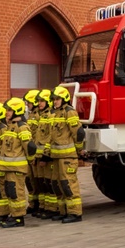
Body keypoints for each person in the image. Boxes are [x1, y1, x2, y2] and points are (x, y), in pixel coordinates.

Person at [49, 85, 85, 223]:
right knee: (58, 185)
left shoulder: (69, 112)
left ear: (64, 99)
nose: (55, 101)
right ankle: (64, 211)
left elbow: (78, 132)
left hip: (67, 157)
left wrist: (79, 149)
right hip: (56, 157)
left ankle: (75, 213)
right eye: (54, 99)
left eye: (57, 99)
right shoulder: (56, 113)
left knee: (68, 184)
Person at [0, 97, 35, 228]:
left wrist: (30, 161)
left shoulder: (22, 127)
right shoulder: (10, 127)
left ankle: (19, 218)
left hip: (17, 168)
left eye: (9, 110)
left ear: (17, 110)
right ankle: (13, 215)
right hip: (8, 167)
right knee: (10, 192)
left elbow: (30, 147)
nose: (6, 112)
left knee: (16, 192)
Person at [32, 89, 55, 218]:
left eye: (42, 101)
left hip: (47, 157)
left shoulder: (51, 116)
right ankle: (44, 207)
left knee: (49, 183)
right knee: (41, 183)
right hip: (39, 156)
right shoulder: (42, 116)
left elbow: (51, 137)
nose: (39, 103)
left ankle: (52, 209)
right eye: (38, 101)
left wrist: (46, 156)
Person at [22, 89, 41, 214]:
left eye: (28, 102)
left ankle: (40, 205)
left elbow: (40, 136)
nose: (27, 105)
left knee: (37, 181)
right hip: (30, 154)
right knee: (30, 180)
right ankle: (33, 204)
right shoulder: (32, 115)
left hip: (37, 154)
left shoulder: (39, 116)